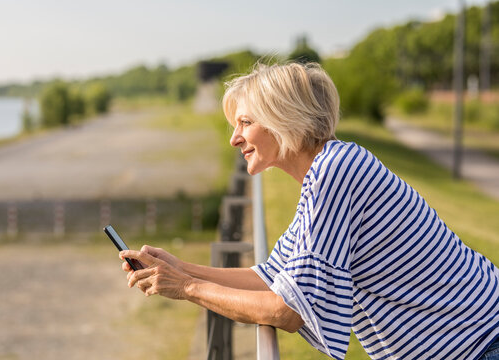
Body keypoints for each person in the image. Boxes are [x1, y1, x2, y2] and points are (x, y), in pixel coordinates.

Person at [119, 62, 499, 360]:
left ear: (284, 119)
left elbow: (287, 311)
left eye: (245, 122)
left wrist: (187, 287)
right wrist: (178, 267)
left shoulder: (336, 172)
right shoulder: (323, 177)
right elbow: (270, 277)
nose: (234, 138)